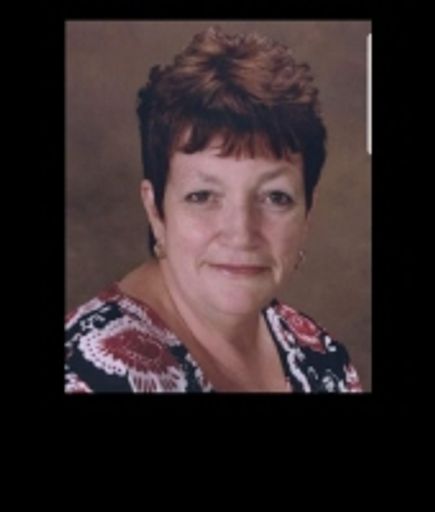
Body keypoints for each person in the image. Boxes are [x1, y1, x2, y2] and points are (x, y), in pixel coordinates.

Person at [65, 26, 363, 393]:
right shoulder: (87, 374)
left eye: (275, 197)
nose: (241, 233)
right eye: (203, 196)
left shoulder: (322, 359)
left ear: (307, 215)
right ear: (155, 210)